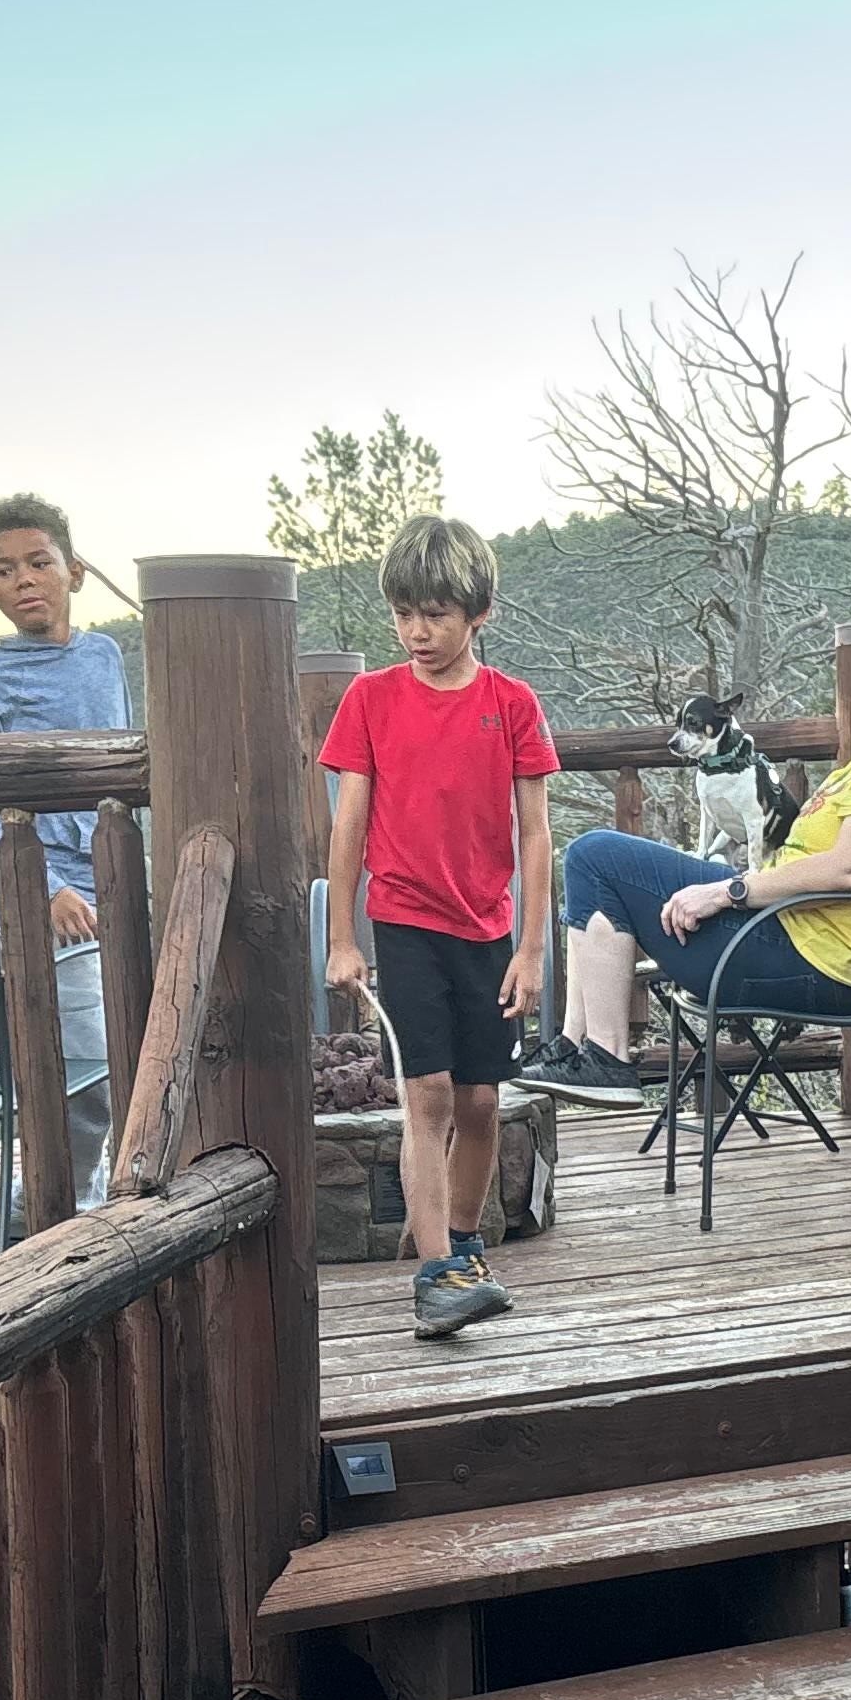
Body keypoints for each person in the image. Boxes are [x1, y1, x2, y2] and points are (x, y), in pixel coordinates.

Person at [542, 591, 851, 1101]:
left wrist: (727, 891)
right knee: (597, 861)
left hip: (805, 959)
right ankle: (577, 1051)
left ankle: (604, 1060)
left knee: (595, 858)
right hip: (788, 935)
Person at [319, 516, 556, 1337]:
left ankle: (461, 1245)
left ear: (479, 613)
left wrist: (531, 950)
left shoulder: (511, 704)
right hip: (404, 920)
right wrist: (342, 937)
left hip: (487, 929)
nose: (417, 632)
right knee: (426, 1096)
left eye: (436, 615)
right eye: (404, 614)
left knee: (481, 1101)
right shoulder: (371, 699)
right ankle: (435, 1275)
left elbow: (536, 834)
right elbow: (349, 823)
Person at [0, 492, 127, 1238]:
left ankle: (33, 1218)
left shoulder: (104, 657)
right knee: (89, 1076)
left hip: (115, 888)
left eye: (38, 562)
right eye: (4, 571)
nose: (23, 579)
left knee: (134, 1059)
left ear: (74, 571)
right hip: (47, 899)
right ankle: (58, 1217)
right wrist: (46, 889)